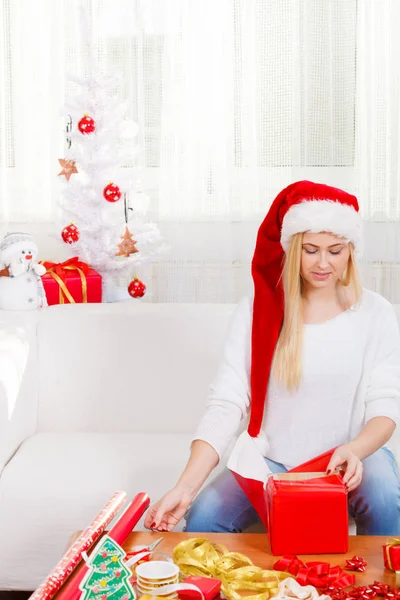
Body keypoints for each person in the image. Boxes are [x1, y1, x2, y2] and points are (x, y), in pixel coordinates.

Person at [144, 180, 400, 535]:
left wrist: (356, 448)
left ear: (350, 251)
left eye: (335, 250)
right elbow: (227, 402)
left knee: (385, 498)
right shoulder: (259, 310)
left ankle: (379, 588)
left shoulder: (376, 312)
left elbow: (385, 407)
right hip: (271, 459)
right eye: (310, 250)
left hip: (352, 456)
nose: (323, 263)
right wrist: (185, 487)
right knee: (204, 518)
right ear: (293, 248)